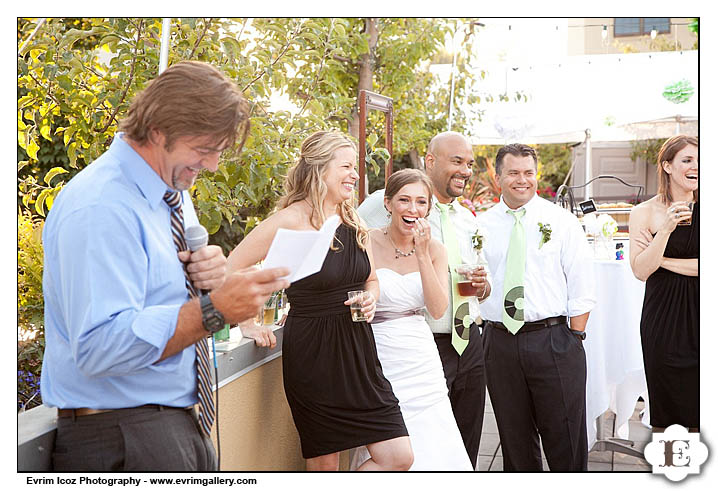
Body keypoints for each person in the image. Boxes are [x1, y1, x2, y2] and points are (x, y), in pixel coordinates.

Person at [40, 61, 290, 472]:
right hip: (122, 438)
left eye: (219, 152)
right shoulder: (102, 205)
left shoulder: (171, 192)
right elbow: (100, 347)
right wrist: (215, 310)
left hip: (167, 428)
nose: (210, 165)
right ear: (158, 130)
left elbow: (159, 303)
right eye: (204, 149)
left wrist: (208, 280)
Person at [227, 130, 413, 471]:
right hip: (314, 354)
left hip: (359, 352)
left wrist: (371, 299)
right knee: (325, 465)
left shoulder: (353, 219)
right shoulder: (291, 220)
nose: (356, 175)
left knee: (398, 457)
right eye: (346, 166)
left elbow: (370, 279)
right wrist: (247, 323)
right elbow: (231, 269)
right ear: (319, 170)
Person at [357, 131, 491, 469]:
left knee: (456, 442)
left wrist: (482, 285)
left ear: (428, 208)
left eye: (469, 164)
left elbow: (479, 286)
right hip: (415, 344)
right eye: (457, 161)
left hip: (467, 340)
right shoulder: (374, 212)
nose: (465, 170)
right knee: (398, 447)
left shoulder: (468, 220)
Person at [477, 143, 596, 471]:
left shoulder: (561, 221)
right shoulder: (481, 225)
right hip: (499, 342)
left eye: (528, 173)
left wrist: (573, 338)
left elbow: (583, 285)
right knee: (514, 440)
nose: (522, 180)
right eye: (513, 172)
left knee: (565, 438)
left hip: (554, 340)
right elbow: (474, 282)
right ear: (498, 176)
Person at [628, 135, 698, 432]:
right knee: (668, 415)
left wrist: (664, 261)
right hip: (663, 320)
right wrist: (666, 230)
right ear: (667, 166)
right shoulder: (643, 212)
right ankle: (674, 473)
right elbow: (641, 271)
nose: (696, 167)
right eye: (688, 160)